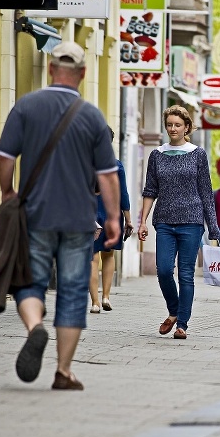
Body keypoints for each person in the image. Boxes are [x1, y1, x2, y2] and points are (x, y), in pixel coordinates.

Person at [0, 41, 120, 390]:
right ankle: (63, 371)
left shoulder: (27, 106)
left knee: (30, 281)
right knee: (74, 291)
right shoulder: (92, 116)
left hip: (34, 215)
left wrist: (8, 192)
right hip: (79, 220)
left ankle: (36, 327)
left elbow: (5, 156)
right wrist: (112, 217)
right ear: (82, 74)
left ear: (51, 69)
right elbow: (107, 175)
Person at [139, 105, 220, 340]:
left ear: (187, 127)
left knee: (185, 274)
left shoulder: (198, 154)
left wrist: (213, 226)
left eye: (177, 125)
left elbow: (206, 191)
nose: (173, 129)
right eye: (169, 125)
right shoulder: (156, 155)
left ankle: (182, 324)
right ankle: (174, 311)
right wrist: (142, 221)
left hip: (191, 222)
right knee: (164, 270)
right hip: (164, 220)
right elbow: (150, 190)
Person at [89, 128, 133, 313]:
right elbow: (123, 194)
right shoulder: (116, 165)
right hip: (112, 215)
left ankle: (95, 303)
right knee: (109, 255)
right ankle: (106, 296)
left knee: (91, 259)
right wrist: (128, 220)